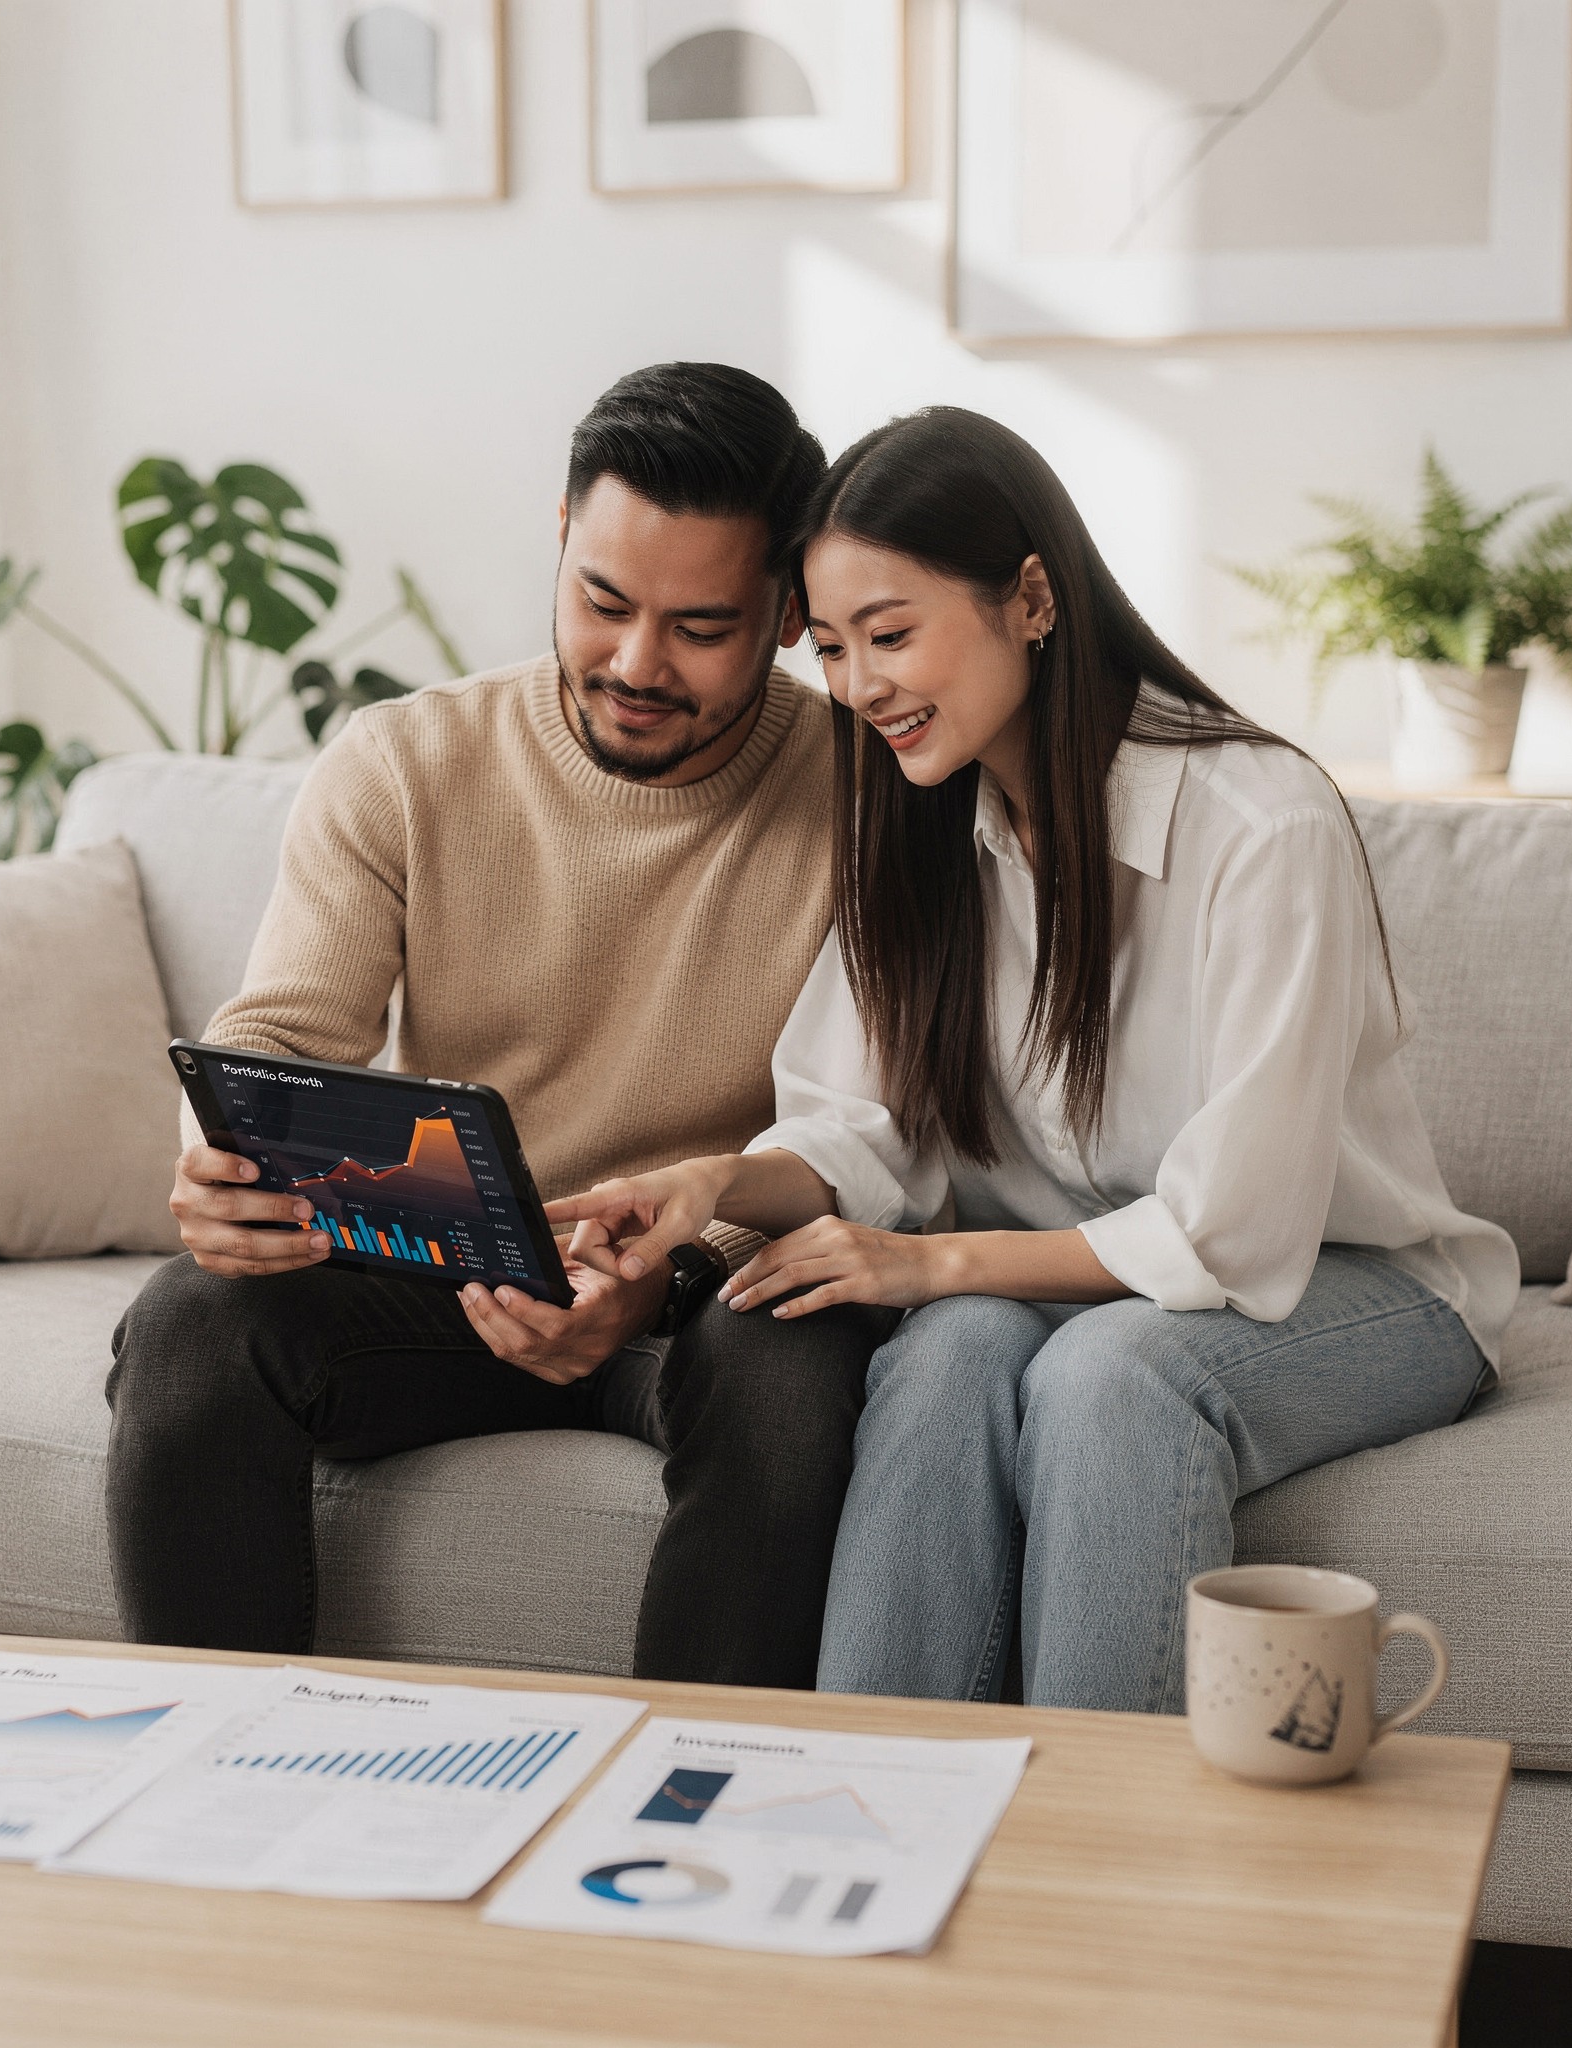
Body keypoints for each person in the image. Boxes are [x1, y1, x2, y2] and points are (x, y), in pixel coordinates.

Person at [548, 407, 1520, 1713]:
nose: (858, 686)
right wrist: (708, 1186)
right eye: (832, 648)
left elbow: (1234, 1232)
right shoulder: (919, 820)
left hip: (1357, 1291)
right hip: (1084, 1283)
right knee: (942, 1362)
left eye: (891, 636)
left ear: (1031, 598)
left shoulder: (1261, 824)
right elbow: (862, 1134)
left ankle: (1107, 1879)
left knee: (1108, 1378)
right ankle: (866, 1823)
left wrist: (932, 1264)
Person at [104, 363, 893, 1687]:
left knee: (799, 1364)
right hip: (447, 1278)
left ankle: (694, 1816)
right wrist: (221, 1161)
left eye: (701, 627)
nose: (637, 664)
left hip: (708, 1289)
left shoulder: (875, 799)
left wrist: (669, 1256)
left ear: (786, 618)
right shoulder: (406, 762)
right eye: (603, 602)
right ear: (563, 537)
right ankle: (213, 1799)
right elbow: (280, 1036)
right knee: (193, 1324)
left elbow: (879, 1131)